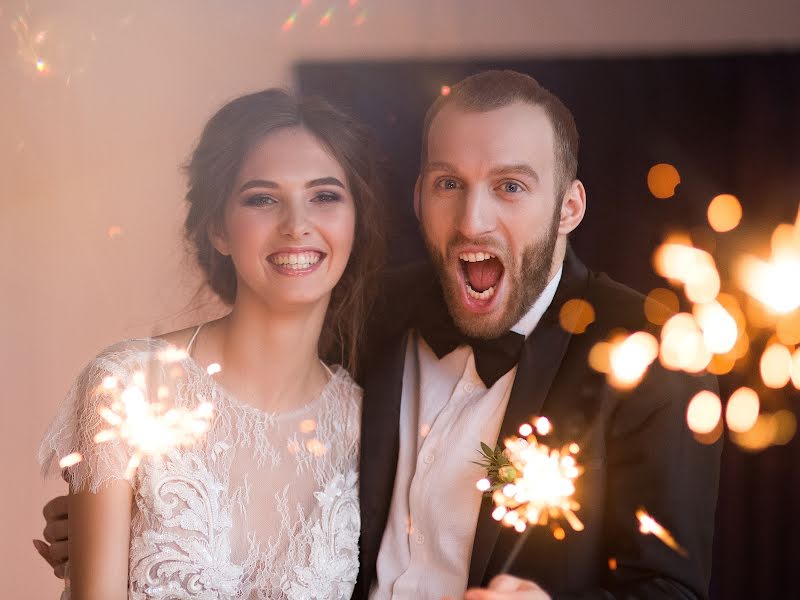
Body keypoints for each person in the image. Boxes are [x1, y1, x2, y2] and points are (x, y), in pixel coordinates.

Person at [38, 70, 722, 600]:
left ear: (568, 205)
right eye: (450, 183)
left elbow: (670, 590)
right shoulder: (369, 316)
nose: (473, 219)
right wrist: (125, 516)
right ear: (419, 197)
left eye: (510, 186)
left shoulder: (649, 351)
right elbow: (236, 447)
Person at [36, 88, 385, 599]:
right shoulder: (130, 387)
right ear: (218, 228)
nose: (297, 225)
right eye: (263, 198)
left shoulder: (367, 428)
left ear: (355, 222)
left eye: (325, 196)